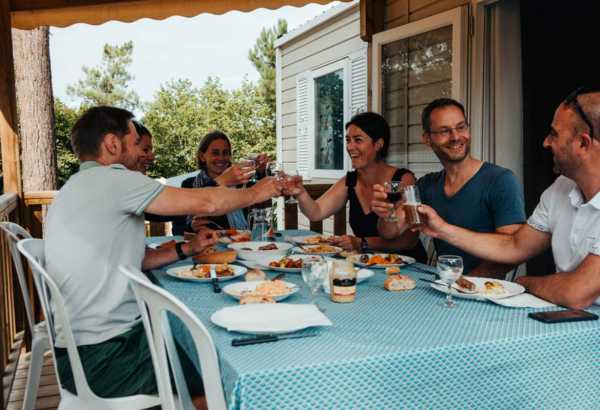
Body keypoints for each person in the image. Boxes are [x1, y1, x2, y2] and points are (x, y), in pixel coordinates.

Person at [44, 106, 281, 408]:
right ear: (112, 145)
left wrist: (186, 249)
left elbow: (136, 260)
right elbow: (207, 202)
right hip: (104, 360)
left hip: (78, 353)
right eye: (134, 142)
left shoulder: (74, 187)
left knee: (195, 341)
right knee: (221, 366)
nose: (142, 152)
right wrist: (259, 191)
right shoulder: (115, 180)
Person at [414, 89, 600, 309]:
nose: (546, 143)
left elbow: (575, 293)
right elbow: (515, 245)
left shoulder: (499, 179)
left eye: (554, 134)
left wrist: (523, 283)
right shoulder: (561, 188)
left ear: (583, 143)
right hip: (566, 324)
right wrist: (442, 229)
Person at [372, 98, 526, 277]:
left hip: (486, 293)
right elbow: (390, 232)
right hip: (443, 287)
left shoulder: (500, 180)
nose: (456, 137)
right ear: (427, 139)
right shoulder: (427, 185)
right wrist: (387, 213)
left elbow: (513, 251)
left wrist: (466, 284)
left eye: (461, 127)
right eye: (445, 131)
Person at [284, 111, 427, 261]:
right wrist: (300, 192)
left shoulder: (401, 180)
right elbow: (316, 212)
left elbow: (409, 241)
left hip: (408, 265)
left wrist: (361, 243)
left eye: (358, 140)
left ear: (378, 144)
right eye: (348, 140)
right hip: (368, 264)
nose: (350, 147)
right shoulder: (350, 180)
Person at [179, 130, 269, 234]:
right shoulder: (189, 185)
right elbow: (179, 228)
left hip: (247, 244)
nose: (221, 158)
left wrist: (261, 171)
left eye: (225, 153)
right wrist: (191, 227)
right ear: (202, 156)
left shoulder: (243, 182)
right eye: (215, 153)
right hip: (211, 246)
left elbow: (263, 203)